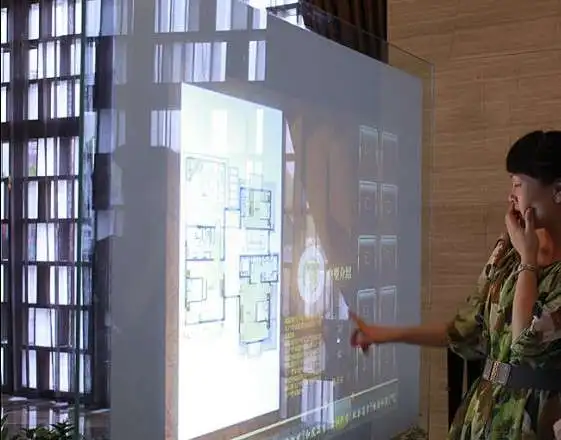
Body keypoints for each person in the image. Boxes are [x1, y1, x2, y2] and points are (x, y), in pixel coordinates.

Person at [349, 130, 561, 440]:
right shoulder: (507, 252)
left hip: (537, 423)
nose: (511, 196)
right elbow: (463, 331)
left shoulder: (524, 253)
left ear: (557, 190)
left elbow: (524, 343)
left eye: (518, 184)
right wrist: (386, 334)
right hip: (483, 416)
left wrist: (528, 260)